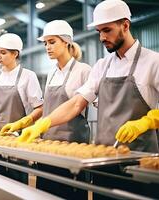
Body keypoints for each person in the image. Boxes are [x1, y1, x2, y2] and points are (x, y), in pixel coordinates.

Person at [18, 0, 159, 199]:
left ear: (125, 25)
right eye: (99, 31)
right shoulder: (102, 66)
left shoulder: (153, 62)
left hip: (139, 163)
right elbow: (77, 103)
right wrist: (43, 124)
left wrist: (146, 121)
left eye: (107, 30)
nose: (102, 37)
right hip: (103, 162)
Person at [33, 19, 91, 199]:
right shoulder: (52, 73)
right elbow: (48, 108)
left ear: (66, 42)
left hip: (71, 150)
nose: (47, 47)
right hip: (47, 148)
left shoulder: (83, 71)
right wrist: (30, 123)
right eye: (45, 43)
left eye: (52, 42)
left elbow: (79, 104)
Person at [0, 33, 43, 184]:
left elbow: (40, 108)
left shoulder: (28, 76)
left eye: (3, 52)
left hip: (18, 140)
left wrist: (24, 122)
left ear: (15, 54)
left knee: (17, 186)